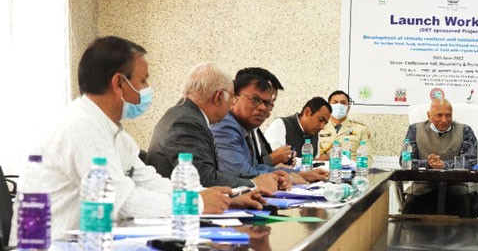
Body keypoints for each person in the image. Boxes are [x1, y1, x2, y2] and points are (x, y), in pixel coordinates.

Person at [36, 37, 263, 239]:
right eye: (143, 81)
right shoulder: (81, 125)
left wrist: (223, 198)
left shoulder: (113, 132)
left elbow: (150, 182)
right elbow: (122, 202)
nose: (147, 88)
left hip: (92, 246)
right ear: (119, 83)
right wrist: (197, 203)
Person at [147, 62, 290, 192]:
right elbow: (203, 179)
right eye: (233, 96)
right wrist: (254, 184)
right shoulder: (186, 122)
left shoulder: (188, 115)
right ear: (219, 96)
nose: (232, 104)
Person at [212, 68, 325, 183]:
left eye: (267, 103)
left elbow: (256, 168)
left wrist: (301, 174)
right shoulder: (225, 125)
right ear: (234, 98)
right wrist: (289, 177)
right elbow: (241, 173)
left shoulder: (246, 128)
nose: (263, 108)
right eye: (255, 99)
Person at [401, 98, 478, 217]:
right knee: (410, 219)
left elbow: (471, 161)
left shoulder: (465, 130)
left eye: (448, 115)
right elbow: (405, 161)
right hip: (422, 191)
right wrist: (428, 164)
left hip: (457, 192)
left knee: (464, 218)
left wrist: (444, 165)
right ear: (429, 115)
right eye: (439, 115)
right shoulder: (415, 130)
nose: (444, 120)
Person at [264, 96, 332, 165]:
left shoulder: (315, 134)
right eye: (320, 120)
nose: (322, 127)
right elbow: (275, 159)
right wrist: (313, 161)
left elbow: (315, 164)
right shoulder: (280, 125)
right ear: (307, 112)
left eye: (325, 123)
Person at [316, 90, 371, 159]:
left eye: (343, 103)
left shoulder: (361, 129)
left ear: (348, 108)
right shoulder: (317, 128)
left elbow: (367, 157)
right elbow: (309, 156)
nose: (339, 105)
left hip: (351, 169)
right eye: (335, 102)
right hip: (323, 168)